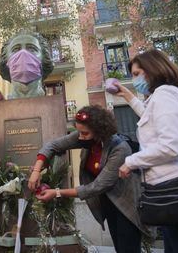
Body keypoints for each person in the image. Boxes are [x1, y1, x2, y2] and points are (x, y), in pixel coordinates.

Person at [116, 49, 178, 253]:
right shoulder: (161, 97)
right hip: (173, 184)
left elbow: (171, 146)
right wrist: (129, 96)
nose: (135, 79)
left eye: (137, 74)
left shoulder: (164, 96)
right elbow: (151, 117)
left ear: (153, 70)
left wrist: (131, 161)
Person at [28, 105, 150, 253]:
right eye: (78, 132)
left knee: (128, 248)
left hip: (127, 204)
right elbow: (53, 145)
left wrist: (57, 193)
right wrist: (36, 170)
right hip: (109, 202)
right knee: (120, 247)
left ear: (99, 131)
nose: (80, 137)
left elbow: (97, 186)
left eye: (84, 133)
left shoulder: (119, 149)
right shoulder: (85, 138)